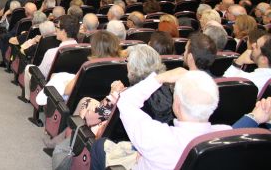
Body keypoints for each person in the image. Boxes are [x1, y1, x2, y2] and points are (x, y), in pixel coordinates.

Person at [91, 69, 230, 170]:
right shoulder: (227, 136)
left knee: (99, 146)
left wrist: (160, 78)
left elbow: (125, 101)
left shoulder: (157, 137)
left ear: (178, 105)